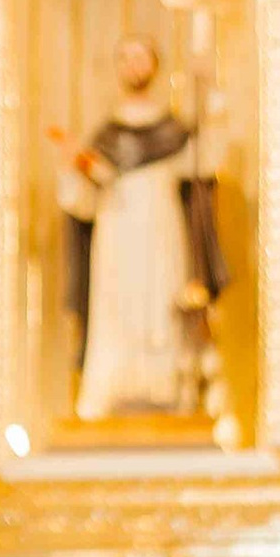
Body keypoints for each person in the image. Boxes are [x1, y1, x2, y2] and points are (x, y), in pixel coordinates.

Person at [50, 35, 226, 423]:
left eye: (141, 56)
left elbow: (207, 164)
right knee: (117, 306)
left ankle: (166, 390)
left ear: (155, 64)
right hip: (116, 233)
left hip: (162, 230)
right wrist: (71, 167)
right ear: (117, 67)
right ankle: (113, 391)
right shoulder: (105, 137)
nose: (134, 64)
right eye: (126, 57)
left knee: (161, 304)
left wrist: (209, 98)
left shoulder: (173, 133)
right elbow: (82, 203)